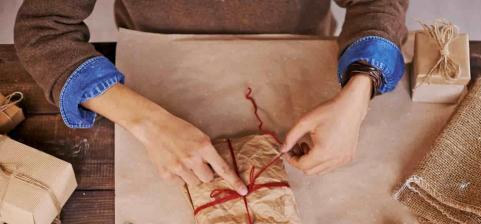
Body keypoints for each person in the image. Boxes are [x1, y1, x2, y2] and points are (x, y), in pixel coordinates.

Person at [15, 1, 408, 194]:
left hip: (299, 52)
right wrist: (147, 122)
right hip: (155, 67)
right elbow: (43, 30)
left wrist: (360, 90)